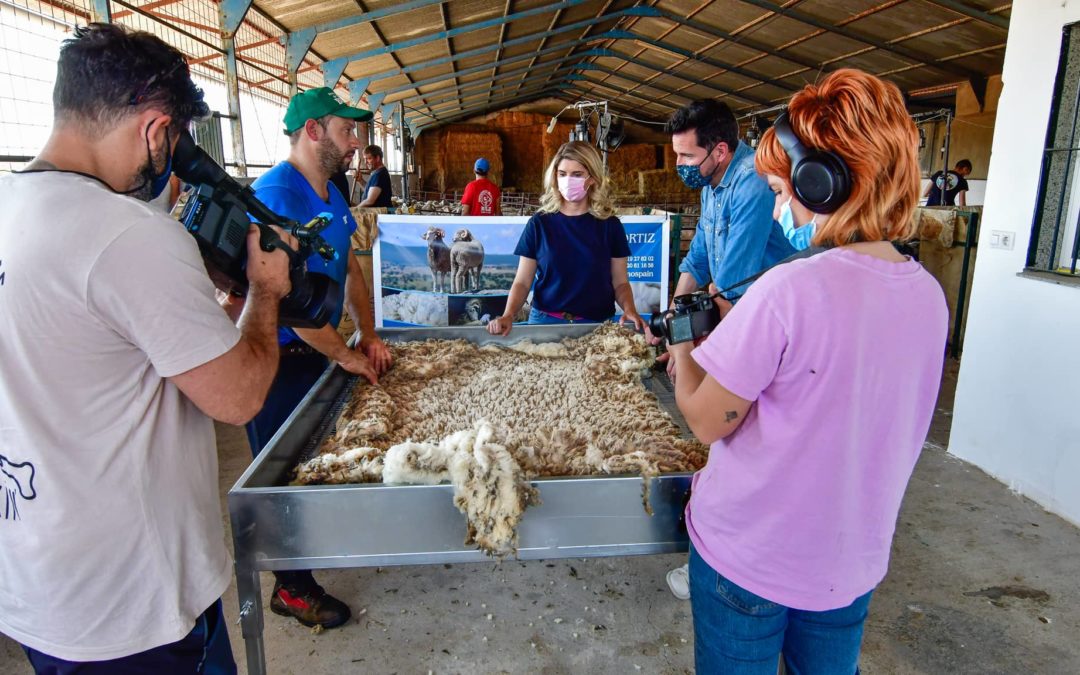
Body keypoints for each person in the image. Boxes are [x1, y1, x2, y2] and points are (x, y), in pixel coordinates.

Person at [0, 23, 294, 672]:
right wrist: (264, 293)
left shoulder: (10, 209)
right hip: (133, 604)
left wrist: (218, 300)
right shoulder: (127, 235)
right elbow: (239, 396)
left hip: (37, 585)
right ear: (156, 130)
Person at [667, 68, 947, 673]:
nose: (778, 204)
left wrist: (682, 351)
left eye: (782, 188)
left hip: (749, 560)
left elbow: (705, 421)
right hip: (849, 562)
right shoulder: (928, 295)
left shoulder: (788, 290)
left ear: (823, 183)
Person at [243, 86, 394, 629]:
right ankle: (292, 589)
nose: (355, 142)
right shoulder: (276, 195)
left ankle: (308, 561)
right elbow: (286, 303)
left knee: (313, 462)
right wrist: (347, 356)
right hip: (277, 358)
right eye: (346, 131)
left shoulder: (329, 191)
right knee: (280, 472)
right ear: (313, 132)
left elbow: (351, 266)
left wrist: (369, 334)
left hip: (318, 350)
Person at [659, 98, 796, 600]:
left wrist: (688, 348)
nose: (679, 167)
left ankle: (733, 571)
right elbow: (698, 258)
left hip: (762, 324)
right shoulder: (714, 188)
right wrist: (673, 318)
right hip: (740, 315)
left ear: (719, 150)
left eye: (686, 158)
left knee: (735, 437)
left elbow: (731, 283)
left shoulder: (753, 186)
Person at [487, 141, 645, 336]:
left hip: (596, 325)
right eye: (562, 174)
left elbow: (620, 282)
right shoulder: (539, 224)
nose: (568, 180)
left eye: (577, 174)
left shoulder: (609, 225)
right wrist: (508, 314)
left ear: (593, 178)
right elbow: (522, 281)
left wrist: (629, 310)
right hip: (544, 322)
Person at [358, 143, 393, 208]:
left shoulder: (380, 174)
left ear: (377, 158)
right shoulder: (376, 173)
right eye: (365, 159)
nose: (366, 162)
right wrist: (360, 180)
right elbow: (369, 192)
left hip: (379, 216)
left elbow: (369, 201)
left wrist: (355, 210)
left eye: (368, 159)